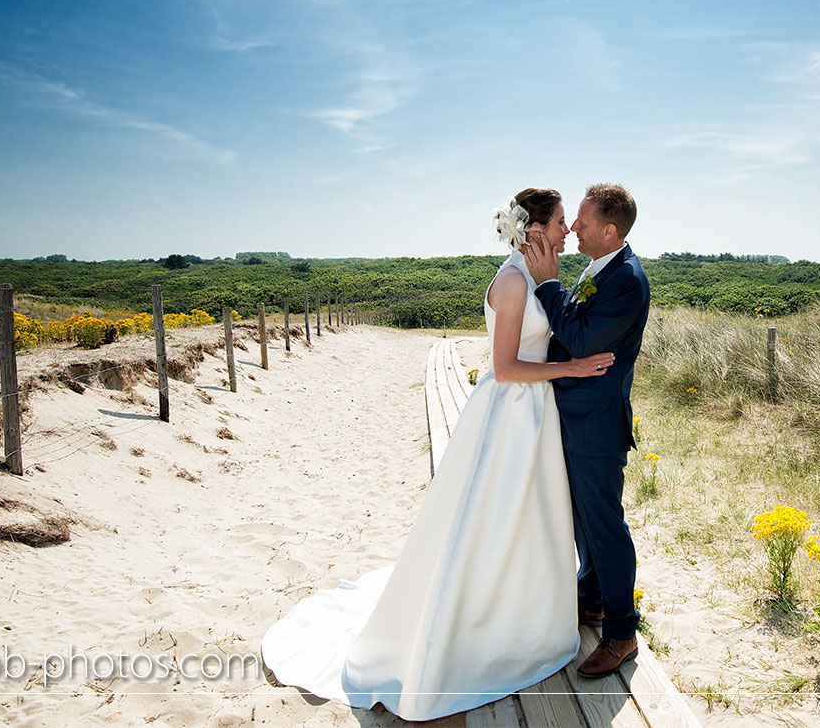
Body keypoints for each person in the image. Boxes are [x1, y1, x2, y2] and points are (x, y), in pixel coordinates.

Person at [260, 188, 615, 721]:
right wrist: (570, 369)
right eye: (562, 222)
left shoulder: (528, 275)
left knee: (526, 519)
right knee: (499, 516)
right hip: (513, 413)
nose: (568, 231)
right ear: (535, 230)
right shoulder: (517, 282)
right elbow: (507, 366)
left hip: (531, 415)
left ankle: (525, 606)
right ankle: (486, 619)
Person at [524, 183, 650, 678]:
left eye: (581, 220)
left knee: (605, 526)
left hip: (597, 427)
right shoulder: (600, 269)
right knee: (583, 522)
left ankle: (622, 633)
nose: (573, 227)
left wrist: (548, 286)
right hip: (575, 418)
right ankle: (591, 599)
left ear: (609, 230)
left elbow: (577, 338)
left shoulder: (627, 280)